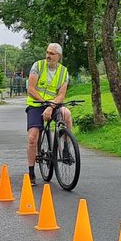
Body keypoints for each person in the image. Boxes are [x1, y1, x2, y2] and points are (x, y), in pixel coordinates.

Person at [25, 43, 71, 183]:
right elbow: (31, 89)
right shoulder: (37, 66)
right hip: (36, 103)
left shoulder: (64, 72)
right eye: (47, 52)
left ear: (59, 56)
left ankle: (66, 148)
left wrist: (51, 106)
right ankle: (31, 171)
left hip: (53, 104)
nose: (48, 56)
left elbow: (61, 96)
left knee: (67, 114)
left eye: (51, 54)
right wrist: (45, 103)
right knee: (33, 137)